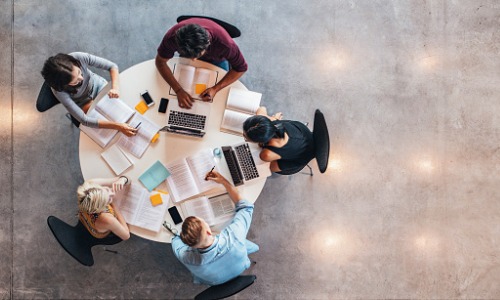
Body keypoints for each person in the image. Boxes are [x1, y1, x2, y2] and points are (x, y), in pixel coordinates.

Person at [171, 171, 259, 286]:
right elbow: (246, 207)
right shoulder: (234, 236)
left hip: (214, 281)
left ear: (189, 245)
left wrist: (181, 234)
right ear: (208, 231)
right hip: (241, 266)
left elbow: (175, 241)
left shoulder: (186, 257)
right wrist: (223, 181)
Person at [155, 18, 248, 109]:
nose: (193, 60)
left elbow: (241, 68)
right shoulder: (171, 37)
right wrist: (178, 90)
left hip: (217, 59)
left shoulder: (226, 45)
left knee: (219, 100)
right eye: (190, 56)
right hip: (189, 57)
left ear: (208, 44)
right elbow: (160, 62)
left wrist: (215, 88)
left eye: (197, 55)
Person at [41, 52, 137, 136]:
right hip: (82, 101)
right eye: (75, 81)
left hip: (97, 85)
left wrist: (115, 88)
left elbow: (112, 66)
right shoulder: (59, 91)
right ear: (64, 85)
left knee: (124, 105)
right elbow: (84, 120)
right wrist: (118, 126)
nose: (82, 78)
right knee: (104, 125)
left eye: (79, 72)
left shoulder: (78, 57)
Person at [243, 107, 315, 175]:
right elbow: (262, 108)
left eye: (245, 137)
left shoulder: (266, 154)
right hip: (305, 134)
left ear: (260, 141)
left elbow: (271, 168)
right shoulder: (274, 123)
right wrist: (273, 118)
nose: (243, 135)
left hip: (299, 159)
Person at [77, 176, 131, 240]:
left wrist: (122, 180)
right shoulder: (107, 219)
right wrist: (115, 205)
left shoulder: (90, 184)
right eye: (109, 199)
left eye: (106, 189)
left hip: (85, 215)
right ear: (101, 208)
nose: (113, 193)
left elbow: (127, 178)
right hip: (98, 230)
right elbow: (126, 235)